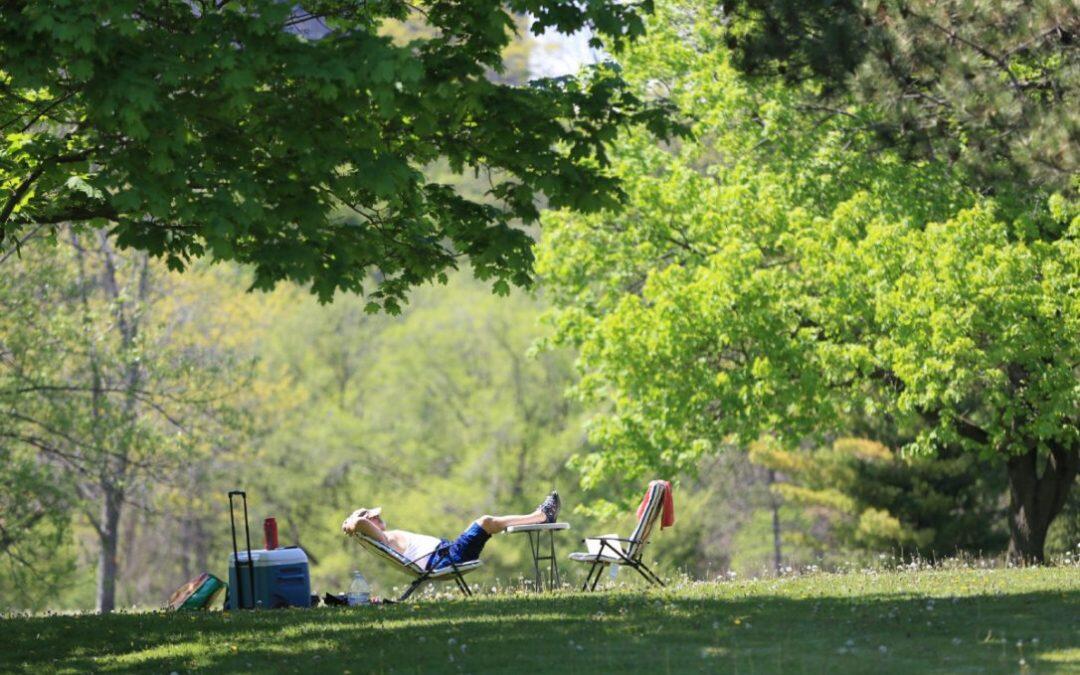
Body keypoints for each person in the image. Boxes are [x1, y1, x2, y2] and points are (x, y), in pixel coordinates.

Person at [341, 491, 560, 571]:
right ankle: (541, 516)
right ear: (370, 524)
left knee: (484, 523)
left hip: (445, 554)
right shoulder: (383, 538)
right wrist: (353, 522)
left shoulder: (385, 537)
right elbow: (360, 525)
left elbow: (361, 525)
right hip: (445, 559)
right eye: (374, 517)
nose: (379, 518)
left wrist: (356, 521)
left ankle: (539, 516)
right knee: (485, 521)